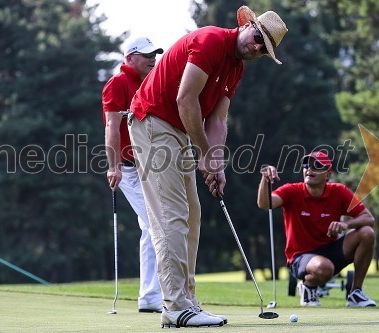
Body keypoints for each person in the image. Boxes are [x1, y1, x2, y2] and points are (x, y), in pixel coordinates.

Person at [127, 6, 288, 328]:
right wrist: (205, 155)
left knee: (192, 214)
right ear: (247, 26)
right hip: (152, 122)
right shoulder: (211, 40)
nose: (256, 47)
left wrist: (216, 162)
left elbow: (216, 119)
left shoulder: (236, 68)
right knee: (171, 216)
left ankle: (187, 301)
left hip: (178, 131)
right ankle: (174, 305)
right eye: (258, 38)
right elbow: (186, 100)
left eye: (264, 49)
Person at [257, 151, 377, 307]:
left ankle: (355, 293)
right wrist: (265, 180)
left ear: (328, 173)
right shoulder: (292, 191)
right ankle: (308, 287)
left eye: (317, 166)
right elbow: (265, 204)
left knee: (367, 233)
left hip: (330, 252)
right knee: (324, 268)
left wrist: (346, 225)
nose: (309, 169)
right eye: (306, 165)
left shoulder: (339, 191)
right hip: (300, 257)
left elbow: (369, 218)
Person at [102, 36, 164, 313]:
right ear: (130, 58)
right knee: (156, 224)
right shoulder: (117, 83)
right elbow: (112, 127)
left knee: (149, 228)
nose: (153, 59)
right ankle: (152, 295)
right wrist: (112, 165)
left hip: (152, 167)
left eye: (155, 54)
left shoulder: (151, 82)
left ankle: (150, 295)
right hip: (128, 169)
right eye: (146, 55)